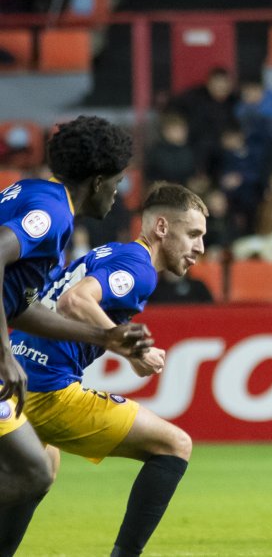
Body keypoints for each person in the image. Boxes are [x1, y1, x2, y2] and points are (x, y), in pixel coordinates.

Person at [6, 183, 206, 557]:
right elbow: (75, 300)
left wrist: (123, 348)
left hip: (15, 378)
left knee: (41, 470)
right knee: (175, 445)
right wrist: (126, 345)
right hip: (48, 391)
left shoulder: (110, 252)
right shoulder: (140, 268)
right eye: (193, 234)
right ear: (162, 228)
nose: (200, 248)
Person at [0, 116, 149, 543]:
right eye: (117, 182)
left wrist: (103, 338)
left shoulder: (36, 193)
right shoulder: (51, 213)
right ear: (98, 181)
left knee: (33, 471)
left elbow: (19, 307)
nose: (118, 193)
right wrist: (4, 355)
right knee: (31, 472)